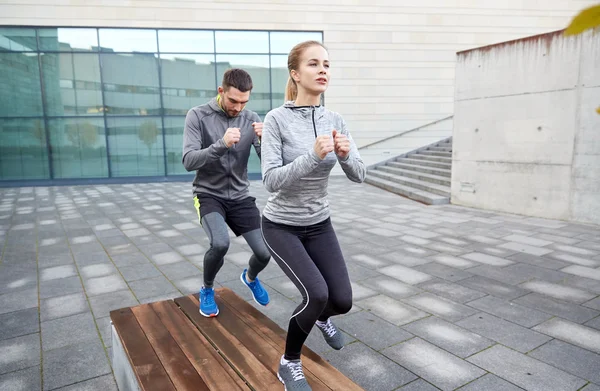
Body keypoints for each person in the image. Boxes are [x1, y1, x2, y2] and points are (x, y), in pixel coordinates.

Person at [259, 41, 366, 390]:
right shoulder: (276, 119)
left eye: (327, 65)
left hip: (319, 224)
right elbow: (271, 181)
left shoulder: (336, 120)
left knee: (342, 301)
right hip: (281, 226)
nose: (323, 70)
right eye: (314, 64)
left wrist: (347, 155)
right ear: (295, 73)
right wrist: (311, 156)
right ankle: (289, 362)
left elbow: (360, 174)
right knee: (316, 294)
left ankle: (322, 319)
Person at [182, 68, 271, 317]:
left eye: (244, 102)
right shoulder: (197, 116)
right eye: (233, 101)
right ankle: (207, 288)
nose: (238, 108)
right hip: (209, 194)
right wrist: (221, 144)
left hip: (241, 197)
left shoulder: (250, 118)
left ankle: (250, 278)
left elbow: (268, 164)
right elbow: (189, 160)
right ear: (221, 91)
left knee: (265, 252)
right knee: (220, 244)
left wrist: (266, 142)